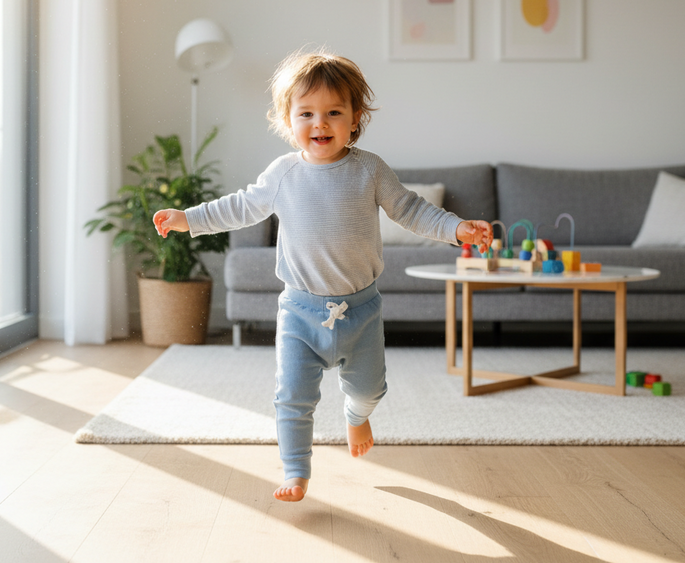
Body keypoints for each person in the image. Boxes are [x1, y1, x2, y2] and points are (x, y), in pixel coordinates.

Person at [153, 50, 493, 502]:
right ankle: (296, 471)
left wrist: (455, 228)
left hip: (362, 312)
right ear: (287, 120)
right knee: (292, 395)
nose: (321, 123)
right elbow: (238, 207)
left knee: (371, 388)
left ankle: (357, 414)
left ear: (355, 118)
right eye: (307, 113)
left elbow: (411, 210)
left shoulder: (370, 169)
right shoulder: (282, 174)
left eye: (334, 112)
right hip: (300, 312)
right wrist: (188, 219)